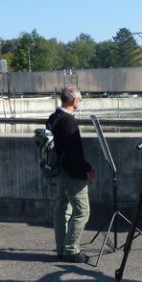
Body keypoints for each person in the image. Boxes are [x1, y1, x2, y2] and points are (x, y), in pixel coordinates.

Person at [48, 85, 96, 263]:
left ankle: (62, 248)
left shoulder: (54, 117)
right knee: (82, 211)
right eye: (80, 100)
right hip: (72, 173)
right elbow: (73, 152)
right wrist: (87, 169)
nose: (80, 103)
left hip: (59, 170)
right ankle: (71, 250)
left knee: (62, 209)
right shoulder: (68, 121)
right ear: (75, 101)